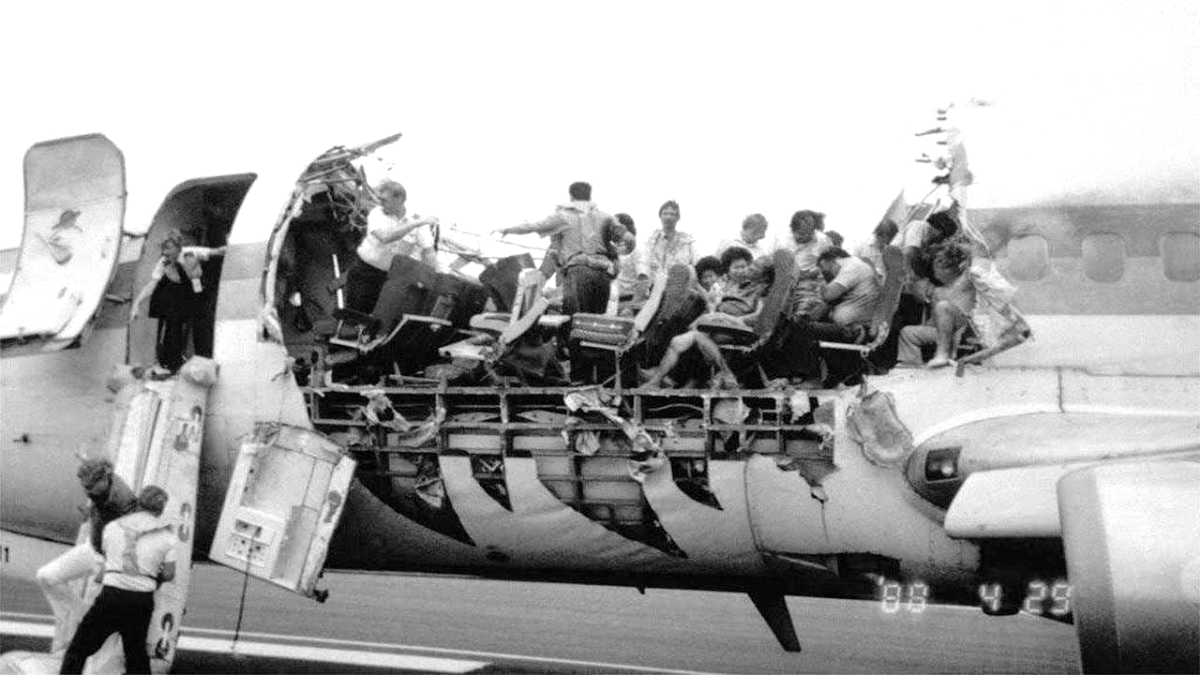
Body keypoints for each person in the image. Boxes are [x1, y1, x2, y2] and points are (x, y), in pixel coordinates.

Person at [60, 485, 178, 675]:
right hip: (141, 600)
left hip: (112, 595)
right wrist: (153, 580)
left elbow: (109, 559)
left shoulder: (113, 527)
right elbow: (169, 574)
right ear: (161, 509)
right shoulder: (167, 536)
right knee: (136, 655)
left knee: (78, 649)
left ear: (138, 503)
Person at [36, 459, 136, 654]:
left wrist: (108, 568)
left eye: (90, 486)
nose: (87, 491)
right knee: (46, 576)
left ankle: (82, 637)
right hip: (93, 549)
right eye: (85, 487)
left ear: (105, 478)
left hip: (111, 560)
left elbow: (131, 538)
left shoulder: (122, 501)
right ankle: (81, 618)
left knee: (101, 617)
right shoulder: (101, 488)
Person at [498, 182, 634, 315]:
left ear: (571, 196)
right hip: (602, 275)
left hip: (579, 272)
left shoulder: (563, 216)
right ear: (590, 196)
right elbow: (629, 239)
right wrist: (622, 251)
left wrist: (507, 230)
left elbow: (534, 226)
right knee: (595, 322)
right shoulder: (606, 217)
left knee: (573, 319)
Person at [643, 247, 764, 389]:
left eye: (743, 266)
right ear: (729, 270)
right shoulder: (729, 288)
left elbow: (759, 315)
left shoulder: (757, 288)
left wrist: (733, 319)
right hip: (718, 326)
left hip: (737, 329)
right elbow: (714, 308)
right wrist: (713, 312)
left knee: (696, 334)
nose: (740, 271)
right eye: (736, 268)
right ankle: (657, 380)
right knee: (678, 339)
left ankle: (723, 373)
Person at [130, 232, 226, 375]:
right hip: (183, 298)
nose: (165, 252)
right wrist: (136, 303)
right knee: (173, 330)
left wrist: (230, 246)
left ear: (178, 248)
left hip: (199, 295)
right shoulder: (164, 262)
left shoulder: (189, 253)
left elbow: (216, 252)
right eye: (164, 249)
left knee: (202, 331)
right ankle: (173, 366)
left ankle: (206, 365)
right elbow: (152, 284)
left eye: (169, 248)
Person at [340, 180, 440, 314]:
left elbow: (428, 253)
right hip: (364, 270)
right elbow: (385, 237)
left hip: (388, 277)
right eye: (380, 199)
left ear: (400, 200)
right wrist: (414, 224)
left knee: (375, 313)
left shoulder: (418, 220)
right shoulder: (377, 213)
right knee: (354, 310)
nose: (380, 203)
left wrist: (433, 280)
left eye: (384, 200)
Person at [897, 242, 974, 368]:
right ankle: (912, 364)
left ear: (949, 268)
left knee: (942, 307)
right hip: (946, 330)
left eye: (938, 266)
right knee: (908, 332)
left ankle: (941, 356)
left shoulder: (964, 280)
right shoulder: (940, 290)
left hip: (962, 328)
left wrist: (952, 250)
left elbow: (972, 254)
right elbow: (935, 321)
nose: (934, 271)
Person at [639, 200, 696, 280]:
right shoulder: (651, 241)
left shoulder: (687, 242)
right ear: (660, 216)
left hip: (679, 283)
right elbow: (644, 263)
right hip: (655, 283)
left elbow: (695, 263)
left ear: (678, 218)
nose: (668, 217)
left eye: (672, 214)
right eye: (665, 213)